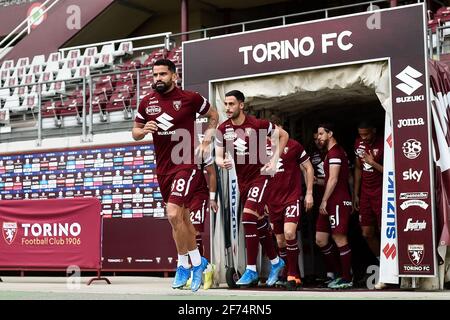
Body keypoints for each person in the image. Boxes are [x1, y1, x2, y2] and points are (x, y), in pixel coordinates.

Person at [132, 58, 219, 292]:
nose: (158, 78)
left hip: (186, 163)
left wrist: (207, 141)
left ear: (174, 76)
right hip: (163, 168)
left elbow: (214, 115)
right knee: (178, 219)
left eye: (162, 74)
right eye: (154, 75)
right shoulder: (146, 102)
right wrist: (143, 131)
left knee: (172, 212)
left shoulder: (190, 99)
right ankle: (192, 264)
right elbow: (135, 132)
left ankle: (188, 264)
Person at [215, 90, 289, 287]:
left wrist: (274, 160)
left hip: (262, 176)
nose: (228, 108)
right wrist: (221, 161)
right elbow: (218, 155)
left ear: (241, 105)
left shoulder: (257, 124)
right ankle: (276, 262)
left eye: (231, 104)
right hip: (243, 181)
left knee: (247, 217)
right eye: (226, 104)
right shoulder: (223, 129)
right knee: (259, 221)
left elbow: (284, 135)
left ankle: (251, 270)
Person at [264, 115, 315, 290]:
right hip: (272, 201)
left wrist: (309, 193)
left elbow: (309, 167)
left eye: (274, 128)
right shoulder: (262, 147)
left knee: (289, 233)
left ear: (281, 128)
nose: (271, 133)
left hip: (291, 198)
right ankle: (289, 273)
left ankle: (293, 274)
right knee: (280, 241)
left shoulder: (293, 145)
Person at [316, 123, 353, 289]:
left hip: (336, 200)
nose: (319, 138)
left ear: (330, 134)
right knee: (321, 239)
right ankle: (338, 273)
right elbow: (331, 179)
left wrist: (324, 200)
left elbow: (334, 179)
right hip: (330, 200)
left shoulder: (336, 152)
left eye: (321, 134)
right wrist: (317, 181)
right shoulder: (330, 153)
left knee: (339, 238)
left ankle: (346, 278)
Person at [353, 121, 383, 260]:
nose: (363, 137)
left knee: (384, 230)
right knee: (366, 232)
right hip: (365, 193)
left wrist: (373, 163)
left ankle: (391, 264)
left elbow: (392, 171)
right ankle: (381, 262)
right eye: (361, 134)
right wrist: (356, 193)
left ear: (374, 130)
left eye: (366, 134)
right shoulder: (358, 143)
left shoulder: (384, 143)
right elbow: (358, 168)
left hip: (381, 191)